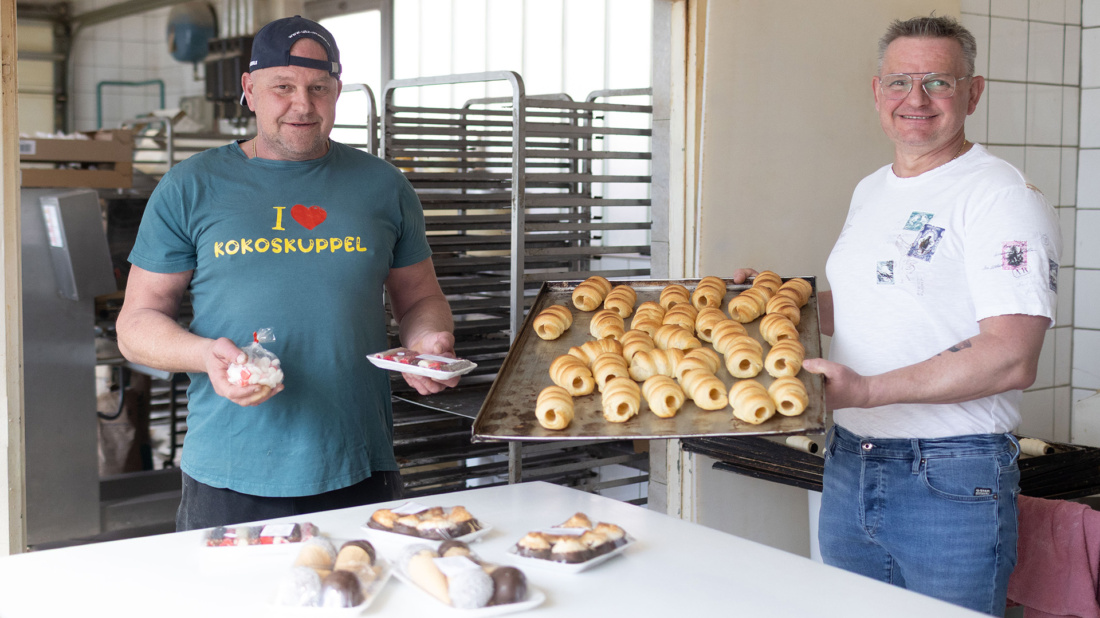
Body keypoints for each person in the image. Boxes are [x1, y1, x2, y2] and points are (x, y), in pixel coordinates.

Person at [116, 15, 458, 531]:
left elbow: (419, 298)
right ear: (250, 90)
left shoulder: (384, 186)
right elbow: (135, 325)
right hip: (231, 471)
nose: (303, 104)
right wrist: (204, 356)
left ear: (337, 91)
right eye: (283, 87)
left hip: (358, 461)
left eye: (318, 87)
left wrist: (427, 341)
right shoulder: (191, 186)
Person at [802, 15, 1061, 616]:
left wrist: (867, 390)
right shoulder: (871, 189)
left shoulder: (1001, 197)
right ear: (877, 92)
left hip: (949, 471)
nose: (915, 99)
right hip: (851, 457)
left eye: (938, 82)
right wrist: (780, 305)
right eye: (899, 82)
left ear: (973, 93)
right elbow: (877, 304)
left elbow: (1012, 356)